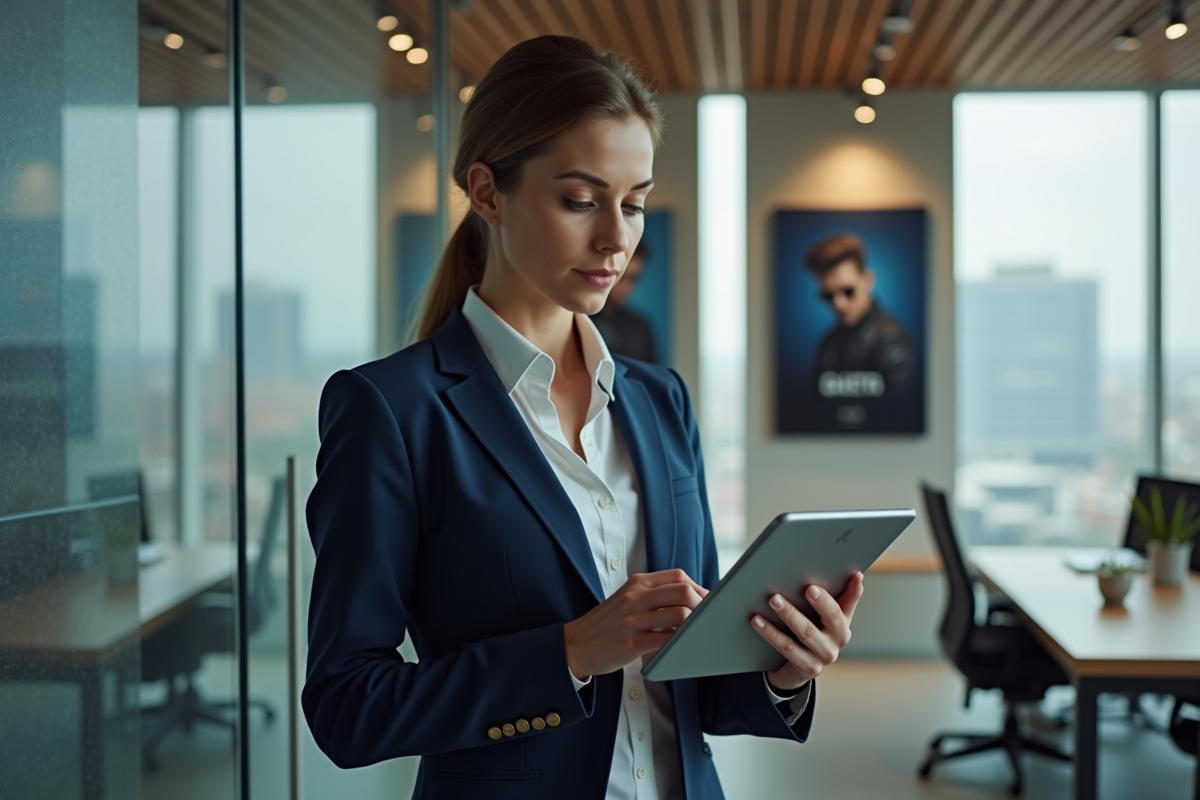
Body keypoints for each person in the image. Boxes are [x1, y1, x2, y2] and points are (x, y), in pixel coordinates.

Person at [303, 36, 864, 800]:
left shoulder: (660, 399)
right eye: (580, 199)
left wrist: (784, 667)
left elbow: (693, 687)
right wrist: (569, 652)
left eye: (633, 203)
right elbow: (346, 709)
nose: (617, 238)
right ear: (489, 193)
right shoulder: (392, 410)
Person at [804, 233, 915, 402]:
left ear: (868, 280)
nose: (838, 304)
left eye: (848, 291)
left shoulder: (891, 339)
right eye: (828, 296)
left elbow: (899, 411)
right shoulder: (828, 342)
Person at [591, 241, 660, 364]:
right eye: (622, 277)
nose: (628, 287)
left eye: (634, 279)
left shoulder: (641, 327)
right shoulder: (577, 321)